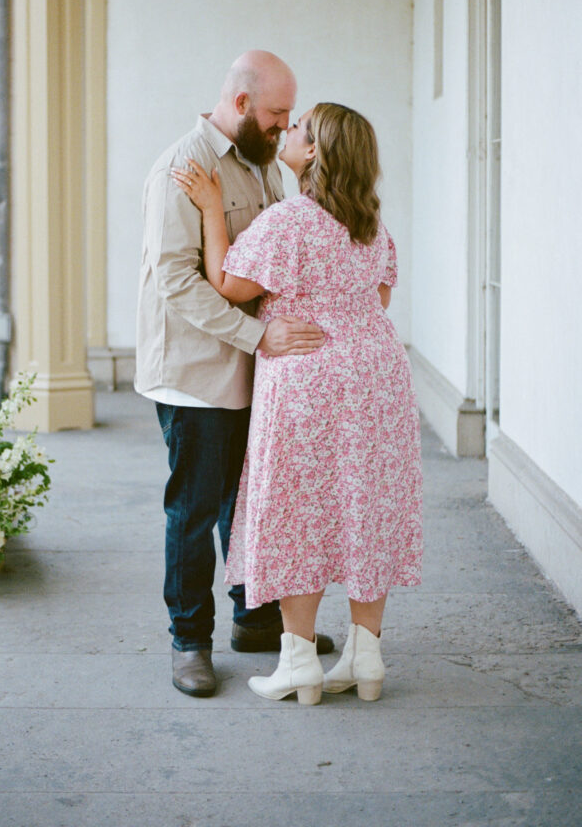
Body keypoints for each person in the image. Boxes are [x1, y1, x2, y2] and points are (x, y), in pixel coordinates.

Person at [172, 102, 423, 705]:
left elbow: (229, 285)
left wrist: (211, 209)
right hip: (378, 377)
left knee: (299, 512)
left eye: (299, 127)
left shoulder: (290, 221)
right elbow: (380, 298)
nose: (286, 131)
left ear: (313, 153)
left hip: (308, 378)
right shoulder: (371, 224)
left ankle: (300, 664)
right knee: (367, 508)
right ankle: (367, 660)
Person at [135, 51, 333, 699]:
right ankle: (188, 642)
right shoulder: (183, 165)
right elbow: (175, 280)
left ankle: (254, 619)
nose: (283, 127)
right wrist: (259, 336)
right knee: (194, 510)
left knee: (247, 504)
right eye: (277, 114)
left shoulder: (259, 163)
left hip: (257, 371)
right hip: (196, 374)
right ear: (242, 104)